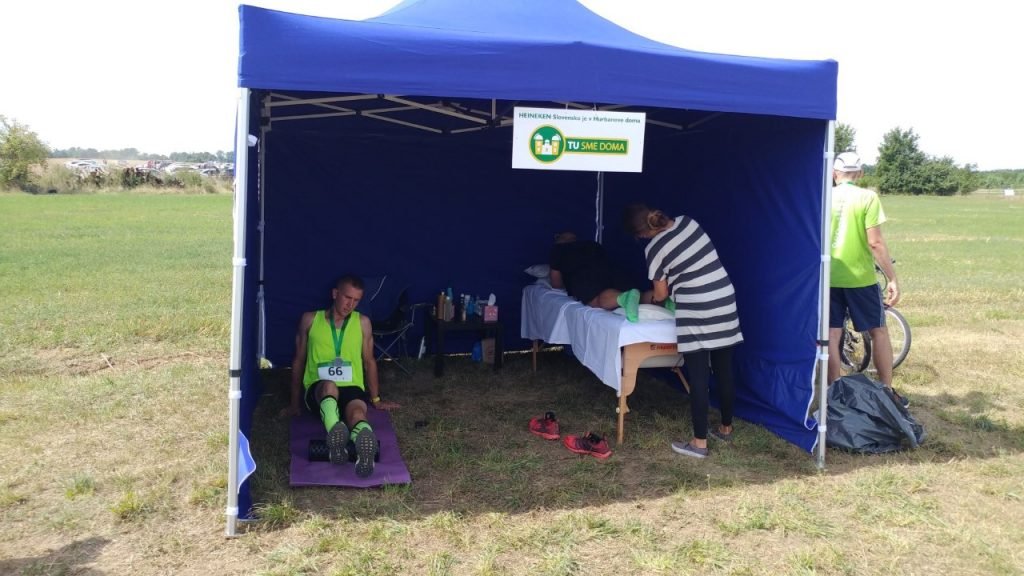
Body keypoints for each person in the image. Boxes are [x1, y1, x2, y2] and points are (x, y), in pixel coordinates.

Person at [623, 204, 743, 459]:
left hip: (697, 308)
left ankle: (699, 443)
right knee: (724, 370)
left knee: (698, 376)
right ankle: (726, 428)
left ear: (640, 234)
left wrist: (651, 299)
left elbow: (661, 293)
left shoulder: (654, 248)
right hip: (724, 298)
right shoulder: (688, 222)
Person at [280, 275, 400, 477]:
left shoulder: (362, 322)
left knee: (357, 414)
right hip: (319, 389)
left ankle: (362, 447)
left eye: (356, 300)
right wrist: (294, 403)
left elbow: (369, 361)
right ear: (335, 294)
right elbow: (298, 361)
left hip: (351, 387)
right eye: (347, 297)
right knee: (329, 386)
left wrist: (376, 400)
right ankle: (336, 432)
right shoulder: (310, 320)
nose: (350, 305)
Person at [827, 152, 906, 406]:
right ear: (860, 174)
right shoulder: (868, 197)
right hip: (860, 278)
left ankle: (834, 393)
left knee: (831, 334)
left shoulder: (824, 197)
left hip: (828, 277)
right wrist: (892, 278)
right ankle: (886, 391)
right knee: (878, 332)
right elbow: (875, 242)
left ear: (834, 174)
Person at [548, 231, 650, 321]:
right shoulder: (592, 244)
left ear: (559, 239)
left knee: (596, 299)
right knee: (639, 296)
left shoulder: (558, 250)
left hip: (586, 275)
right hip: (614, 271)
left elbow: (556, 284)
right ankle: (656, 299)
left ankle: (623, 298)